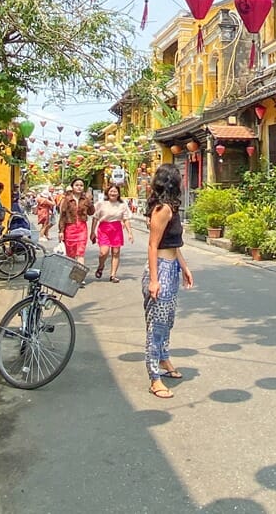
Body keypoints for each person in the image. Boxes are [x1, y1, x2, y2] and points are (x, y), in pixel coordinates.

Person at [143, 164, 193, 400]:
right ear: (172, 183)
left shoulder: (171, 208)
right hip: (160, 270)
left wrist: (184, 267)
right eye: (180, 179)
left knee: (168, 320)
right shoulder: (162, 210)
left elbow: (173, 244)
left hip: (171, 267)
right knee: (157, 325)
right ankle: (154, 378)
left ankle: (163, 358)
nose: (183, 182)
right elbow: (153, 245)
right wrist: (154, 280)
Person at [90, 183, 133, 282]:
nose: (113, 193)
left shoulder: (122, 205)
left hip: (116, 228)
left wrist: (130, 233)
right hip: (104, 228)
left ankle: (113, 275)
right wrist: (92, 232)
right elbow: (95, 218)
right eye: (111, 191)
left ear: (118, 193)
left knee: (116, 252)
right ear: (107, 192)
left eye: (115, 191)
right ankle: (101, 266)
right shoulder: (101, 204)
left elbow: (126, 219)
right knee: (103, 252)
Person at [58, 178, 95, 267]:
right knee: (70, 254)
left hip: (82, 228)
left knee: (80, 252)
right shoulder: (67, 199)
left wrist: (90, 201)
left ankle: (79, 276)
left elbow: (91, 212)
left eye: (81, 185)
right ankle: (70, 275)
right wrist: (61, 231)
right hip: (70, 228)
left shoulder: (85, 199)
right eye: (77, 185)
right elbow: (62, 216)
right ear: (72, 187)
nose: (79, 187)